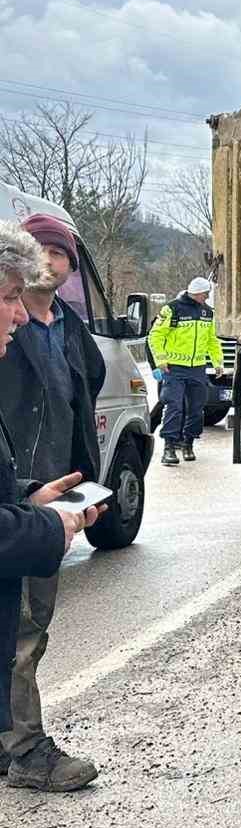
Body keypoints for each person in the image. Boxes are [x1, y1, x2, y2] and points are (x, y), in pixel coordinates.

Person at [0, 213, 107, 791]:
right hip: (19, 506)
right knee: (21, 631)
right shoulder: (12, 336)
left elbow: (84, 393)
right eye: (36, 248)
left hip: (38, 494)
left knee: (26, 627)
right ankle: (25, 750)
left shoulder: (69, 328)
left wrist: (51, 490)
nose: (47, 258)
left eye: (57, 251)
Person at [148, 276, 223, 466]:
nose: (207, 297)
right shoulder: (172, 309)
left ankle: (188, 443)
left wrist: (217, 362)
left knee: (197, 409)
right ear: (196, 292)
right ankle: (169, 448)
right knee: (174, 406)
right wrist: (160, 360)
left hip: (197, 368)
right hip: (174, 368)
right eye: (205, 294)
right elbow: (155, 336)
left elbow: (212, 340)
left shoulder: (208, 313)